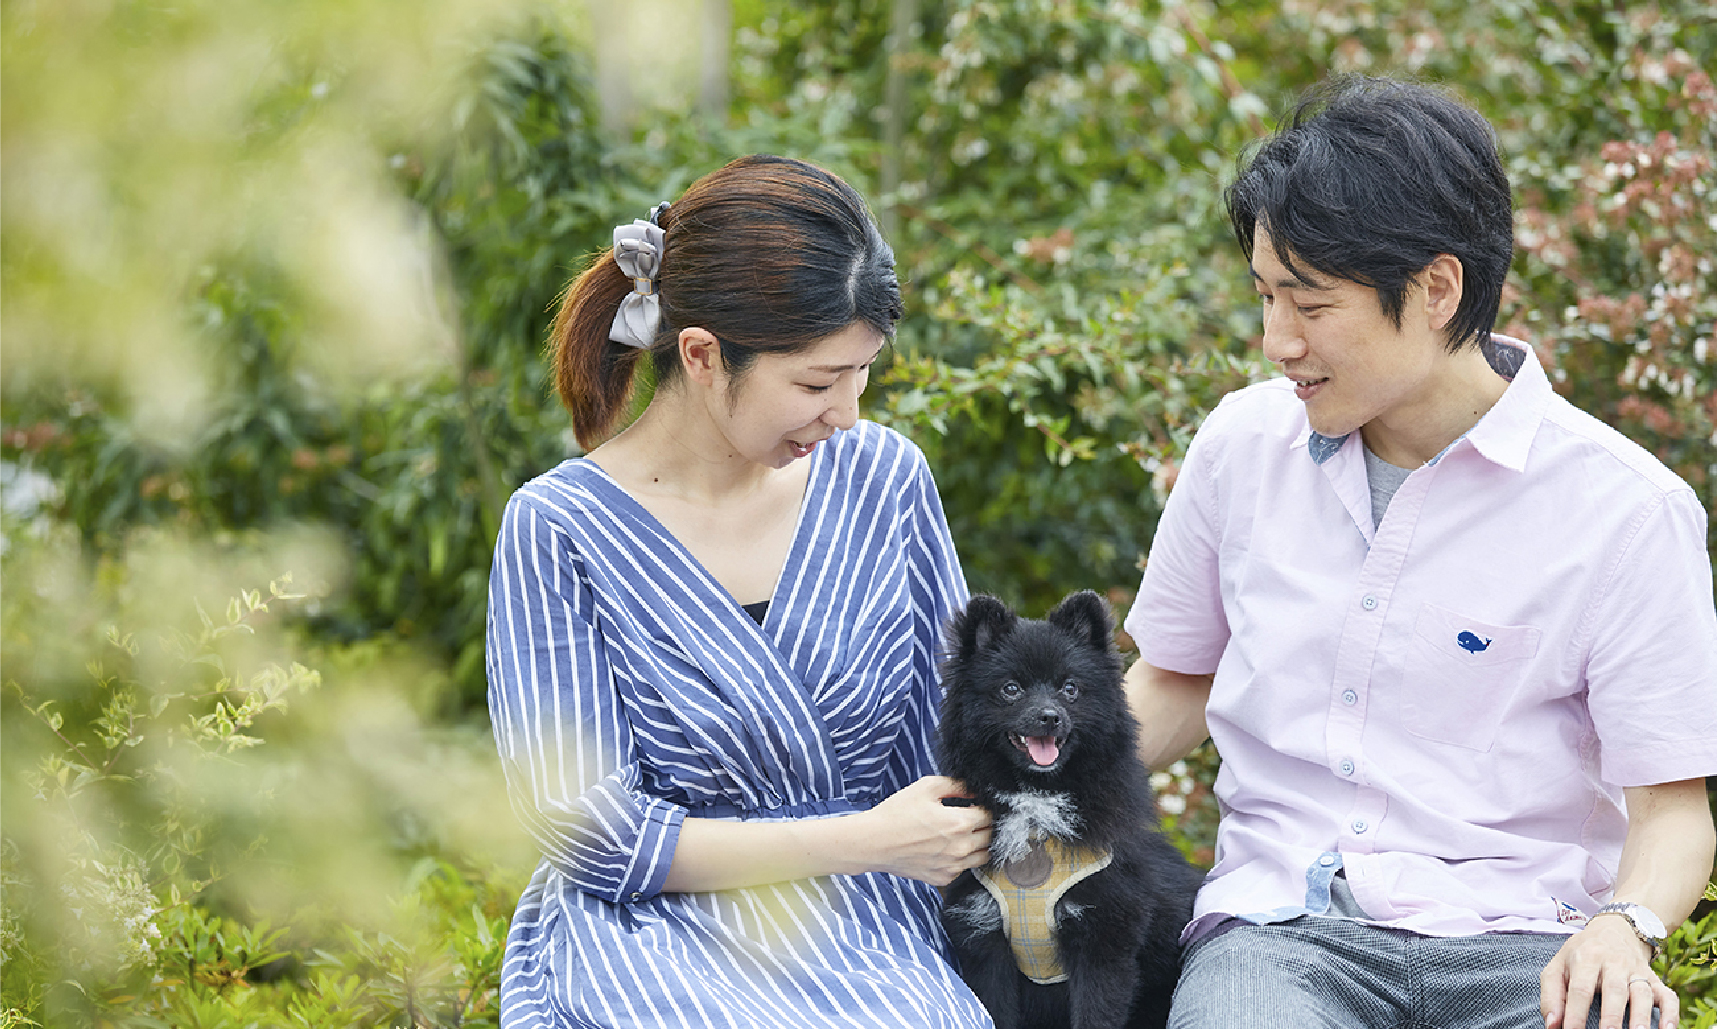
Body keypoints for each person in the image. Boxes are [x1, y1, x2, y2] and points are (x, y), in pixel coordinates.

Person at [1121, 76, 1717, 1029]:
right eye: (1265, 296)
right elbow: (1176, 680)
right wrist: (1022, 790)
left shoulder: (1626, 511)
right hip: (1281, 939)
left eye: (1309, 304)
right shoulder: (1241, 446)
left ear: (1437, 289)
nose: (1276, 340)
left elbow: (1671, 808)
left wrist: (1624, 926)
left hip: (1532, 949)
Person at [484, 155, 994, 1029]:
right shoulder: (558, 528)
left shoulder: (881, 480)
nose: (847, 415)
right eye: (814, 382)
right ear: (702, 354)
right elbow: (588, 829)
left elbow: (953, 732)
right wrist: (861, 839)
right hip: (651, 932)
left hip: (868, 927)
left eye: (861, 374)